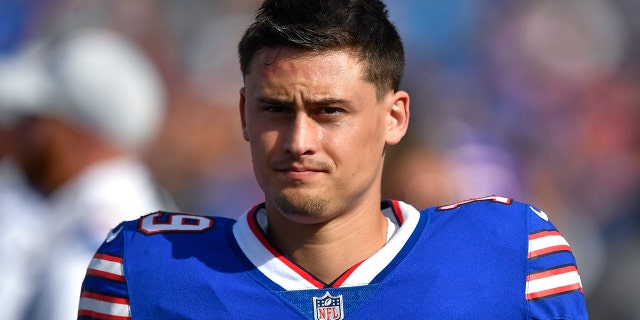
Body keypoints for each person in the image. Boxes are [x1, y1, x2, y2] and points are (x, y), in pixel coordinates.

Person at [78, 0, 588, 319]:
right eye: (276, 109)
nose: (299, 140)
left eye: (330, 112)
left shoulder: (510, 253)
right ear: (243, 114)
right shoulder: (146, 269)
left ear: (394, 117)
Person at [0, 28, 170, 320]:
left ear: (82, 135)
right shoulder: (125, 214)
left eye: (35, 120)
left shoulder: (97, 240)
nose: (21, 133)